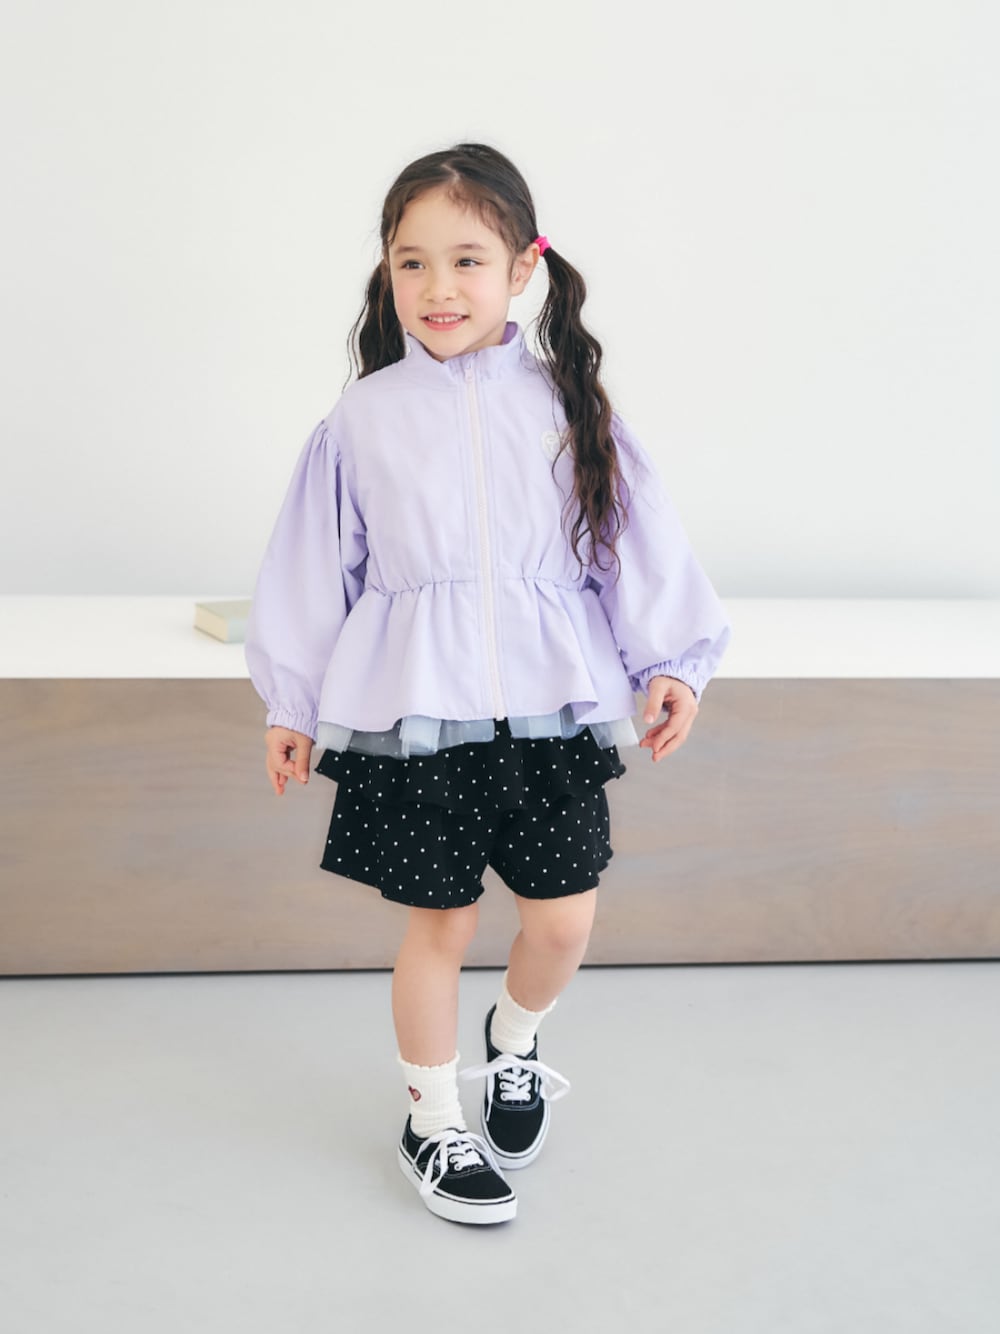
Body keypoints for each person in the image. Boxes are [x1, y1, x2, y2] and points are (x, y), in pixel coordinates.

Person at [244, 141, 732, 1227]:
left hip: (553, 711)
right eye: (411, 262)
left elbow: (634, 546)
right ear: (386, 272)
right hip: (419, 718)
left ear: (522, 268)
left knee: (562, 923)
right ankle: (431, 1118)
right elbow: (312, 571)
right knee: (441, 927)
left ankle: (514, 1040)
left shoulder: (570, 404)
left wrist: (670, 661)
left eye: (466, 259)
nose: (438, 286)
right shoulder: (362, 419)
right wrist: (292, 703)